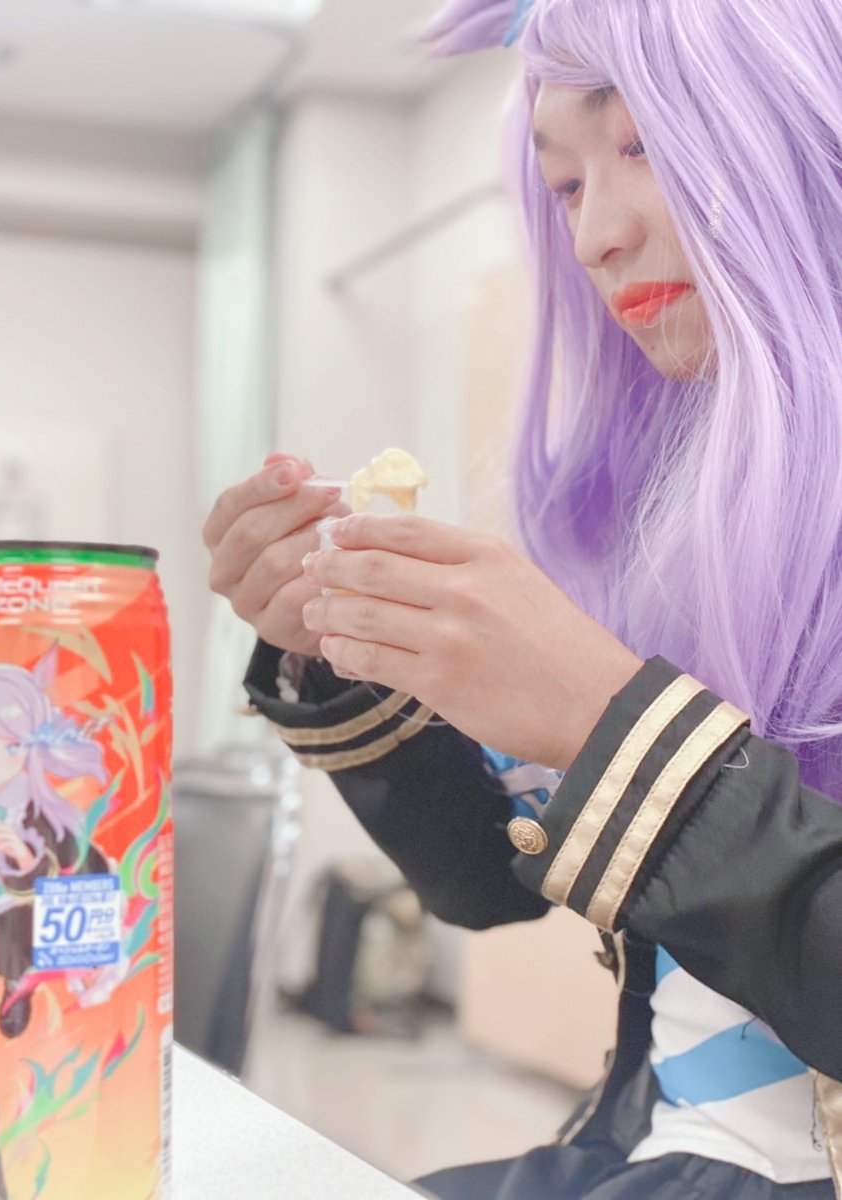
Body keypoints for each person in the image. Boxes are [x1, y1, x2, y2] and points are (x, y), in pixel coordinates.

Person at [202, 0, 842, 1196]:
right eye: (564, 184)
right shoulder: (680, 530)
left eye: (646, 144)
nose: (596, 233)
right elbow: (490, 883)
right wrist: (336, 651)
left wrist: (614, 728)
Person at [0, 644, 109, 1199]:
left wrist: (20, 855)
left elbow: (72, 869)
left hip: (22, 914)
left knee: (29, 962)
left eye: (10, 746)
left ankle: (20, 981)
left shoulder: (38, 807)